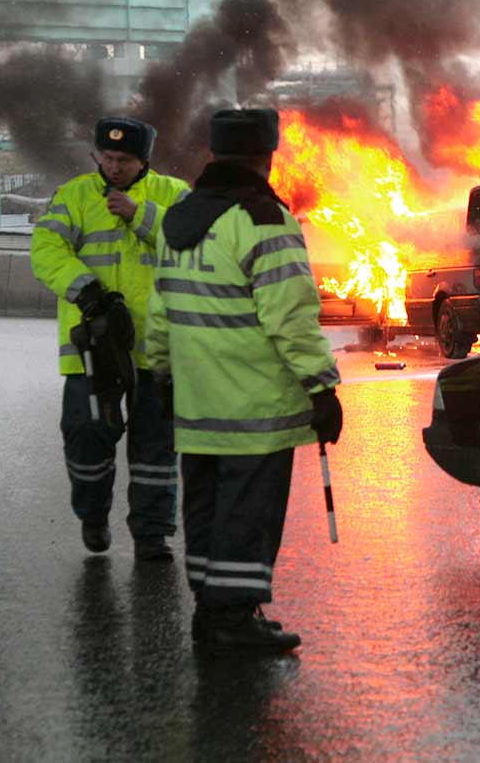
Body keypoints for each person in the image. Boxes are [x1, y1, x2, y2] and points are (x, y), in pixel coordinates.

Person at [146, 107, 343, 654]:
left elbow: (160, 308)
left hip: (198, 403)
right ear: (267, 155)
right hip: (255, 406)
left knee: (206, 509)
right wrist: (322, 387)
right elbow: (291, 319)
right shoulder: (264, 219)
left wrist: (160, 372)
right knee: (248, 515)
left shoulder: (179, 217)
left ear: (214, 153)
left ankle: (212, 612)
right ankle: (232, 622)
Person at [30, 117, 190, 561]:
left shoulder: (174, 195)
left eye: (124, 160)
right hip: (93, 348)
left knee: (156, 449)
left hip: (158, 346)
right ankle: (93, 515)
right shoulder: (73, 196)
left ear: (145, 160)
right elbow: (45, 251)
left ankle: (152, 534)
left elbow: (197, 245)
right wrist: (87, 290)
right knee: (85, 435)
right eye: (107, 157)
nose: (113, 166)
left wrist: (141, 216)